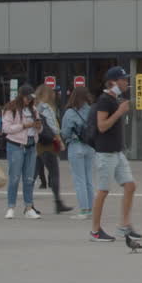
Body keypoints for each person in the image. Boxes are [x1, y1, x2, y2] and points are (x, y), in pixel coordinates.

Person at [91, 66, 142, 242]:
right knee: (103, 191)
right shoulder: (105, 100)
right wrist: (120, 112)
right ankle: (95, 231)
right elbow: (102, 126)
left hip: (117, 152)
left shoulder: (115, 99)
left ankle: (124, 226)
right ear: (113, 82)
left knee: (130, 185)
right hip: (105, 153)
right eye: (123, 79)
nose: (127, 82)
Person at [1, 84, 42, 219]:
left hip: (31, 144)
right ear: (22, 96)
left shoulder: (34, 109)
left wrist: (38, 126)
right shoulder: (11, 109)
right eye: (28, 97)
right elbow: (6, 128)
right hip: (16, 145)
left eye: (31, 98)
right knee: (14, 177)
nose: (29, 100)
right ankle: (10, 207)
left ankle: (29, 207)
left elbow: (39, 130)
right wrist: (24, 125)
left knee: (29, 179)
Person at [33, 84, 72, 214]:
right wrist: (59, 141)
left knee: (32, 175)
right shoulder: (47, 107)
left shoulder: (34, 107)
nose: (55, 95)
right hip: (48, 144)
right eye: (53, 93)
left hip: (37, 143)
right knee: (54, 173)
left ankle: (29, 204)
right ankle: (58, 203)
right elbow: (53, 126)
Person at [60, 87, 97, 219]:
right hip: (90, 147)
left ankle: (84, 210)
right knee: (88, 179)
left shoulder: (70, 112)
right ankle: (92, 209)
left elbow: (65, 133)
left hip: (76, 146)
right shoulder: (92, 110)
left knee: (79, 179)